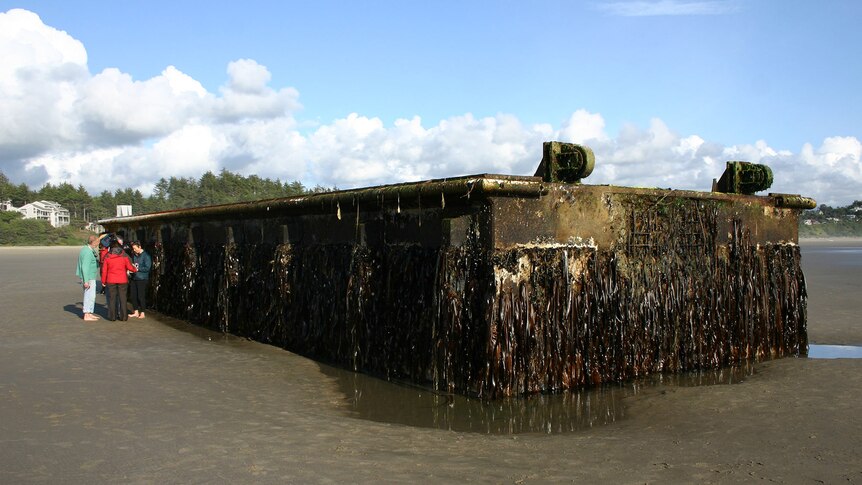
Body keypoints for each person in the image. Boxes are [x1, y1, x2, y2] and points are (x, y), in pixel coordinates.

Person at [101, 240, 137, 321]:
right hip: (122, 280)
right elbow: (130, 267)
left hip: (111, 280)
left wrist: (103, 282)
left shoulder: (107, 257)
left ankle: (112, 316)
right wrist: (135, 269)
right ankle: (124, 316)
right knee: (123, 298)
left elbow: (104, 271)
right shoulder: (124, 256)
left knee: (112, 299)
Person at [75, 234, 101, 321]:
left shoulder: (87, 249)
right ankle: (86, 314)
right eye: (97, 242)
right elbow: (85, 267)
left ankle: (89, 313)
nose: (98, 244)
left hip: (90, 276)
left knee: (91, 296)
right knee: (88, 296)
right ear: (93, 242)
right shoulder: (87, 252)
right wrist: (86, 281)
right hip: (88, 277)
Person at [128, 241, 152, 319]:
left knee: (141, 296)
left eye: (135, 248)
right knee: (133, 295)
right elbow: (132, 264)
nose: (134, 250)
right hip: (134, 278)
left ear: (139, 247)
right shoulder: (134, 255)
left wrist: (137, 269)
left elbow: (147, 268)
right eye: (133, 249)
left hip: (142, 278)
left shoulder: (146, 256)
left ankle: (142, 312)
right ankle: (135, 311)